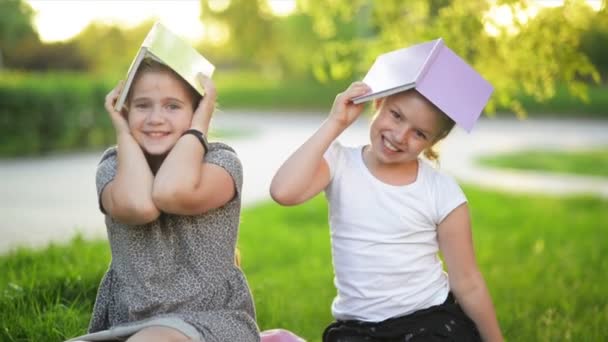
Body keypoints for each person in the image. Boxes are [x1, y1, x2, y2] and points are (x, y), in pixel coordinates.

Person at [269, 81, 504, 341]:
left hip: (429, 319)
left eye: (419, 133)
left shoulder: (442, 191)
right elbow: (283, 191)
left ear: (433, 141)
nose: (400, 136)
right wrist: (335, 123)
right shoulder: (340, 163)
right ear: (379, 103)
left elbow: (468, 282)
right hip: (359, 328)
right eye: (396, 115)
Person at [67, 58, 259, 342]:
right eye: (143, 105)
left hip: (211, 322)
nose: (156, 118)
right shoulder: (112, 167)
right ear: (125, 110)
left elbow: (169, 193)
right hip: (129, 322)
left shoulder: (220, 164)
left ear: (196, 112)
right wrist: (123, 132)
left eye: (172, 106)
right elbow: (139, 206)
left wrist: (198, 129)